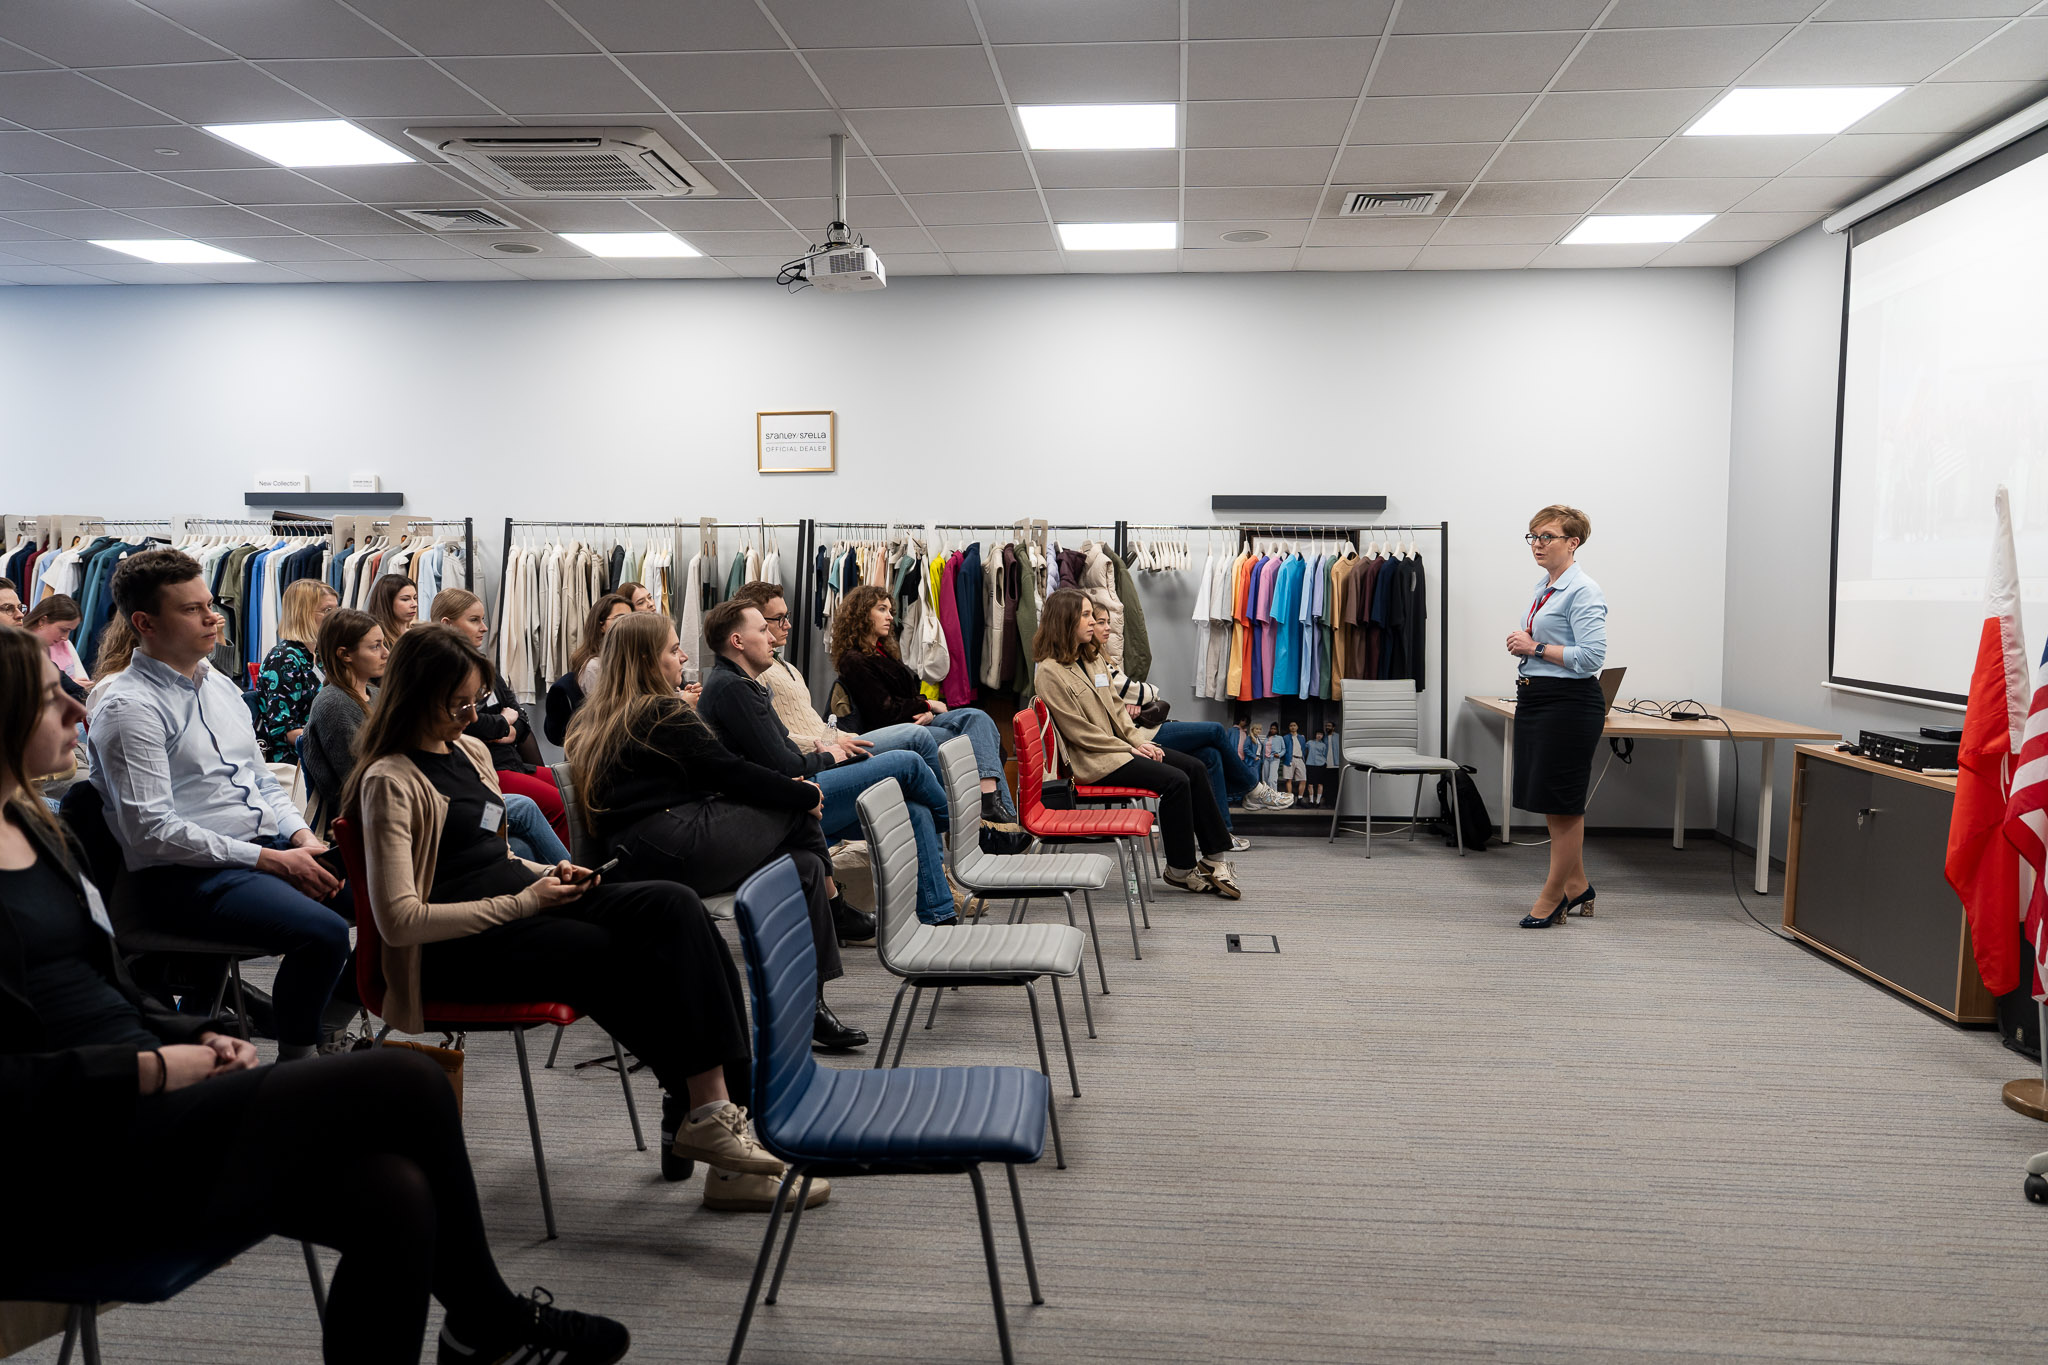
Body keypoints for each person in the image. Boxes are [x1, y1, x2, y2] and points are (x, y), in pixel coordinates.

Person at [0, 626, 632, 1365]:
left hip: (142, 1098)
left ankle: (480, 1323)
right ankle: (487, 1316)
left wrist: (194, 1033)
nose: (79, 711)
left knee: (394, 1194)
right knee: (404, 1077)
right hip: (66, 1153)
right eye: (53, 701)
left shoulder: (38, 828)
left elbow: (98, 986)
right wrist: (153, 1070)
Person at [344, 625, 816, 1213]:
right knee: (602, 949)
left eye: (475, 702)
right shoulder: (388, 781)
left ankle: (716, 1113)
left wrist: (549, 872)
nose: (470, 716)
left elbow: (496, 851)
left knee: (674, 904)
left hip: (525, 904)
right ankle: (715, 1121)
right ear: (415, 696)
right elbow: (399, 921)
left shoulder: (466, 752)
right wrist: (527, 900)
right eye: (458, 704)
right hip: (455, 951)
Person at [85, 550, 350, 1060]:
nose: (214, 617)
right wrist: (274, 859)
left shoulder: (221, 686)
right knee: (324, 932)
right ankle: (298, 1066)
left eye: (211, 604)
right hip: (185, 876)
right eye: (192, 610)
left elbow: (261, 780)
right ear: (145, 623)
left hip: (265, 850)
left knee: (394, 898)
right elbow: (152, 831)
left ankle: (326, 1021)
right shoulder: (128, 705)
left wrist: (302, 838)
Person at [566, 613, 867, 1052]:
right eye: (673, 650)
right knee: (798, 813)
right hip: (669, 844)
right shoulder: (661, 712)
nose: (684, 655)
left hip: (641, 851)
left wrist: (791, 792)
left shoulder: (604, 715)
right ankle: (818, 968)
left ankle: (812, 996)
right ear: (649, 660)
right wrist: (800, 796)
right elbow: (730, 772)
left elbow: (715, 777)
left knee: (800, 866)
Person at [697, 597, 955, 928]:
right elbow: (782, 765)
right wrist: (827, 755)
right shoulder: (733, 688)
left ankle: (939, 917)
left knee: (915, 809)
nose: (775, 635)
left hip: (805, 777)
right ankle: (962, 828)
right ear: (737, 641)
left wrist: (826, 749)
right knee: (908, 759)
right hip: (786, 805)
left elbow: (787, 746)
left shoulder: (750, 681)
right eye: (765, 628)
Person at [308, 609, 562, 866]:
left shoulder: (373, 695)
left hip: (429, 803)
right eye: (375, 646)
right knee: (523, 810)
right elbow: (360, 782)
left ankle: (572, 884)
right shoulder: (334, 704)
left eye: (384, 644)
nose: (386, 653)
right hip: (403, 817)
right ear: (345, 654)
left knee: (519, 842)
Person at [1032, 589, 1241, 899]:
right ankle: (1181, 869)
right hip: (1096, 762)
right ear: (1066, 620)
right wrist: (1128, 748)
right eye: (1087, 615)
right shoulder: (1049, 672)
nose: (1095, 622)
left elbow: (1117, 709)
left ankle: (1215, 858)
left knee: (1195, 768)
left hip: (1120, 749)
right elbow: (1078, 733)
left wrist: (1134, 740)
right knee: (1176, 781)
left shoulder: (1091, 656)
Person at [1080, 606, 1289, 851]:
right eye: (1099, 621)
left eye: (1105, 622)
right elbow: (1141, 691)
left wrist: (1136, 696)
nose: (1105, 627)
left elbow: (1130, 692)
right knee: (1215, 731)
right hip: (1139, 735)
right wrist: (1142, 695)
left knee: (1211, 756)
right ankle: (1252, 788)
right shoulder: (1092, 663)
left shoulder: (1102, 659)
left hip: (1142, 729)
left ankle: (1223, 832)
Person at [831, 583, 1015, 821]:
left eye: (889, 610)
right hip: (898, 730)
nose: (890, 616)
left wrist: (925, 707)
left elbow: (905, 697)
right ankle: (999, 817)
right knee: (973, 743)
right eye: (881, 609)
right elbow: (883, 711)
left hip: (920, 719)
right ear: (862, 614)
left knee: (978, 719)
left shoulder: (882, 652)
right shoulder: (853, 660)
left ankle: (989, 802)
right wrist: (926, 705)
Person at [1505, 503, 1607, 929]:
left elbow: (1592, 657)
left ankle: (1552, 898)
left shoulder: (1584, 590)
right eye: (1533, 537)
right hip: (1538, 698)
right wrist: (1531, 642)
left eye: (1547, 537)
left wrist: (1535, 648)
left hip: (1568, 704)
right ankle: (1577, 884)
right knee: (1553, 804)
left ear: (1573, 542)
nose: (1537, 544)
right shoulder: (1545, 586)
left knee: (1565, 807)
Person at [430, 588, 568, 845]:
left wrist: (509, 727)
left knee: (578, 787)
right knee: (560, 805)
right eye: (474, 620)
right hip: (489, 770)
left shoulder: (486, 667)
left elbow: (520, 716)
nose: (484, 628)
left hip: (513, 762)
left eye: (482, 619)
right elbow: (472, 725)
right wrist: (504, 723)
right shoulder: (443, 674)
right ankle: (572, 873)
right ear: (447, 624)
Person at [253, 578, 338, 764]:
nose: (336, 617)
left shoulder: (320, 653)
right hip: (296, 758)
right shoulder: (284, 659)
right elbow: (283, 730)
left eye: (336, 610)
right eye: (327, 611)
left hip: (322, 748)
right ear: (303, 614)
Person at [543, 591, 632, 747]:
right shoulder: (595, 667)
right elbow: (609, 719)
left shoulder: (625, 661)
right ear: (601, 625)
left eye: (631, 619)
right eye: (620, 619)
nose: (627, 624)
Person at [25, 592, 90, 688]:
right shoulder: (19, 648)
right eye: (63, 630)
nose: (65, 637)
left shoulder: (65, 644)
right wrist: (69, 686)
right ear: (43, 621)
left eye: (70, 631)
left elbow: (84, 682)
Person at [364, 573, 418, 646]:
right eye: (405, 599)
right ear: (387, 602)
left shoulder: (419, 636)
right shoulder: (376, 642)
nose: (414, 604)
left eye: (415, 598)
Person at [1304, 727, 1331, 807]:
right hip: (1310, 764)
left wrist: (1325, 763)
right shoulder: (1309, 743)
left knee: (1320, 783)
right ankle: (1311, 800)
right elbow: (1304, 750)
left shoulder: (1324, 745)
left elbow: (1326, 755)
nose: (1319, 736)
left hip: (1321, 765)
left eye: (1321, 734)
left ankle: (1318, 801)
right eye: (1318, 734)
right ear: (1315, 735)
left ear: (1323, 736)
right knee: (1310, 784)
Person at [1283, 721, 1308, 799]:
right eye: (1291, 726)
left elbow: (1304, 749)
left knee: (1303, 779)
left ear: (1297, 727)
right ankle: (1289, 799)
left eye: (1294, 725)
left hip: (1300, 759)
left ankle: (1300, 799)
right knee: (1289, 779)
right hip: (1289, 759)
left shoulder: (1302, 737)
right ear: (1289, 727)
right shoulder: (1285, 737)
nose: (1292, 727)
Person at [1262, 723, 1284, 791]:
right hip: (1266, 759)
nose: (1273, 730)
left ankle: (1273, 795)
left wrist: (1279, 755)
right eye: (1271, 728)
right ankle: (1266, 795)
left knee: (1272, 779)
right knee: (1265, 778)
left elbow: (1284, 749)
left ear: (1277, 730)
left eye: (1274, 729)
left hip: (1274, 759)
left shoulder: (1280, 738)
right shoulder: (1266, 738)